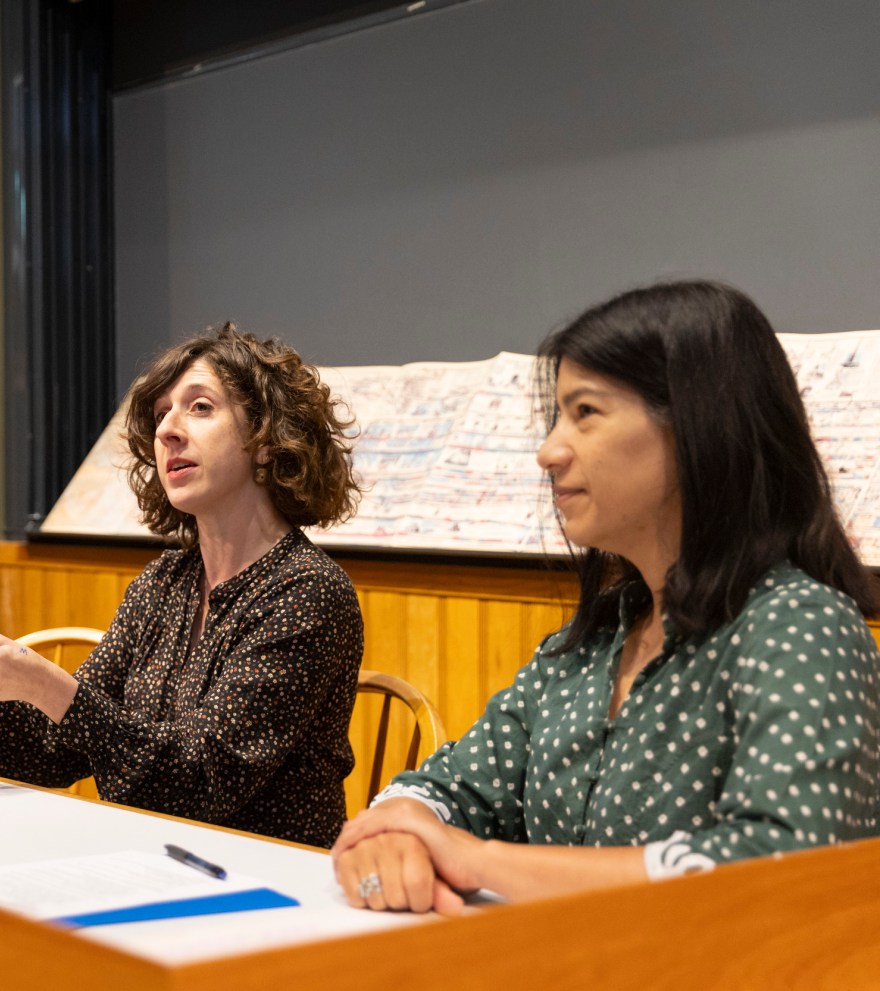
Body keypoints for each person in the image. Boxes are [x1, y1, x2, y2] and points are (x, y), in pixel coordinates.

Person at [332, 280, 880, 914]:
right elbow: (450, 787)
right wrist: (396, 831)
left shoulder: (799, 626)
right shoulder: (592, 640)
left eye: (585, 413)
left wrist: (479, 860)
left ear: (701, 424)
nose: (548, 452)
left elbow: (782, 863)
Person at [0, 324, 365, 846]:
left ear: (267, 439)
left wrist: (48, 686)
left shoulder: (307, 592)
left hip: (268, 884)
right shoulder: (163, 583)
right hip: (152, 862)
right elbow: (48, 756)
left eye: (201, 407)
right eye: (162, 414)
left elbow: (200, 786)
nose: (167, 431)